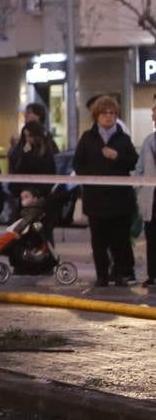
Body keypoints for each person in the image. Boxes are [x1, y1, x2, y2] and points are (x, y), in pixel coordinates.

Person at [72, 95, 139, 287]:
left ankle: (120, 274)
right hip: (96, 199)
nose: (109, 117)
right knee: (99, 240)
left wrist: (117, 157)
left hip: (119, 200)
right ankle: (101, 275)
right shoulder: (88, 138)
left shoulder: (123, 139)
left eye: (113, 113)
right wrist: (91, 179)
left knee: (120, 240)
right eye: (105, 113)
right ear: (96, 115)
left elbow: (134, 162)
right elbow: (78, 163)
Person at [8, 120, 57, 239]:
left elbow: (48, 172)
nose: (27, 139)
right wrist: (25, 155)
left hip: (40, 199)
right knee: (22, 231)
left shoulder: (45, 152)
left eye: (30, 136)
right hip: (24, 197)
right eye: (25, 136)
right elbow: (17, 171)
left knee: (41, 232)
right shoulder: (20, 151)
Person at [137, 101, 156, 287]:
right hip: (152, 198)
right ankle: (153, 274)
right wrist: (138, 190)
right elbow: (139, 169)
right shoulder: (149, 141)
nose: (152, 115)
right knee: (152, 237)